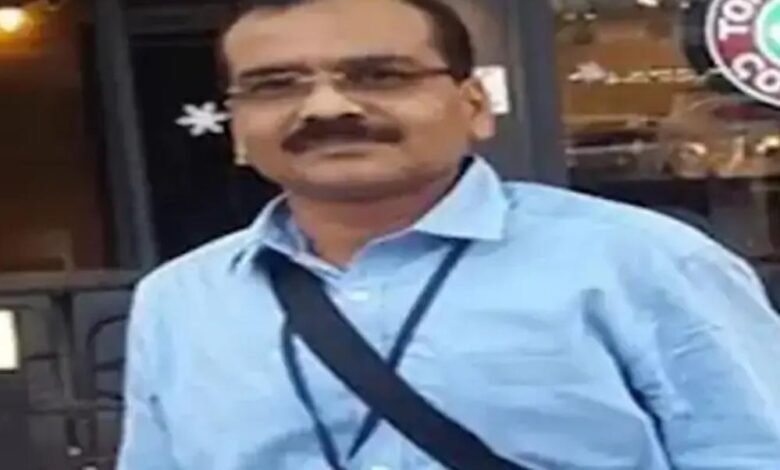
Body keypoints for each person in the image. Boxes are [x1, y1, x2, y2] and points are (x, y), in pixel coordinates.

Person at [117, 0, 780, 469]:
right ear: (237, 129)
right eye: (275, 86)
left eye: (381, 76)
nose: (326, 106)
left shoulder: (641, 262)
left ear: (474, 107)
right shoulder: (180, 300)